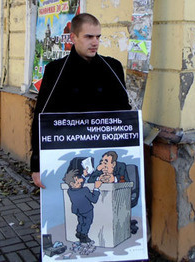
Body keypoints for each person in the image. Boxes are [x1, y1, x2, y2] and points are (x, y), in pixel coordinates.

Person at [30, 13, 131, 188]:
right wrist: (36, 165)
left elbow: (124, 115)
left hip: (104, 155)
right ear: (73, 37)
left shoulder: (112, 67)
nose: (95, 42)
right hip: (67, 158)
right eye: (88, 37)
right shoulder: (56, 70)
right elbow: (41, 118)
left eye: (98, 37)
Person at [63, 169, 102, 243]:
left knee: (81, 221)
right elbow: (94, 199)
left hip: (77, 210)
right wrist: (96, 188)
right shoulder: (84, 190)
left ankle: (78, 232)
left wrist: (84, 175)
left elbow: (79, 182)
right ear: (72, 184)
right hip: (87, 210)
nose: (81, 183)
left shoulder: (70, 190)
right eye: (78, 182)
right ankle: (84, 235)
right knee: (87, 222)